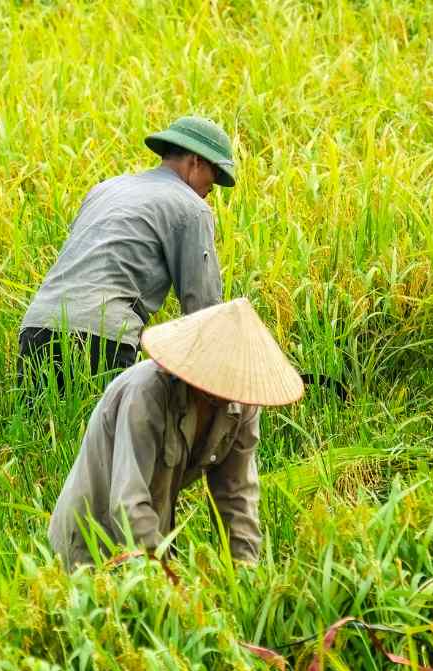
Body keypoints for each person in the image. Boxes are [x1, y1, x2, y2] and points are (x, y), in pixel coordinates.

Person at [48, 298, 304, 569]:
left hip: (150, 532)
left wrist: (245, 575)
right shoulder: (146, 396)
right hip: (90, 539)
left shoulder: (242, 405)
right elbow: (128, 503)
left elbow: (237, 495)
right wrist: (167, 578)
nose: (228, 389)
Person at [18, 116, 236, 394]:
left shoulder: (106, 189)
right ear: (196, 162)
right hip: (101, 338)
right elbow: (202, 307)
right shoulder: (191, 207)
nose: (209, 191)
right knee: (105, 436)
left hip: (38, 325)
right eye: (213, 179)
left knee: (39, 432)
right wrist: (223, 376)